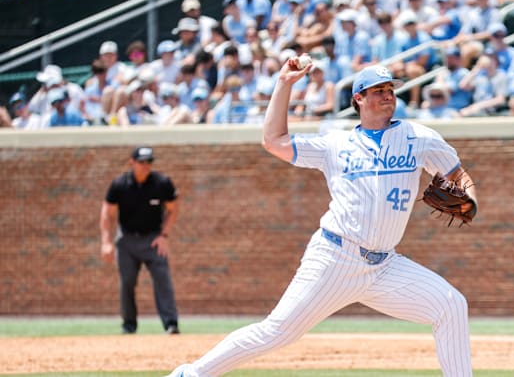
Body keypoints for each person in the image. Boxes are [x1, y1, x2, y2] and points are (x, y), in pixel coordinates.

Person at [165, 62, 477, 377]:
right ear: (358, 98)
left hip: (385, 266)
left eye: (390, 90)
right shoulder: (335, 143)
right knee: (277, 332)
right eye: (378, 91)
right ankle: (190, 374)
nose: (387, 96)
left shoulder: (419, 137)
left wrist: (470, 198)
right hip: (335, 257)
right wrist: (284, 84)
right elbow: (274, 141)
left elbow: (457, 175)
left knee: (451, 306)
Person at [100, 146, 180, 335]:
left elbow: (173, 209)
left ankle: (171, 324)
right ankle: (129, 325)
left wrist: (164, 235)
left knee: (163, 279)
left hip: (153, 240)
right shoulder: (120, 184)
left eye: (149, 162)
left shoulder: (161, 183)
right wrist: (106, 241)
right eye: (142, 162)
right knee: (127, 281)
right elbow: (107, 212)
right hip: (127, 240)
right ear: (132, 162)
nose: (146, 166)